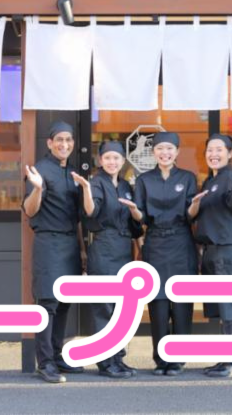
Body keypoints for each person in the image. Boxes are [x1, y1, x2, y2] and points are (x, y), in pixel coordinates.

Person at [119, 132, 199, 376]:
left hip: (181, 241)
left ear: (177, 151)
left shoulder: (188, 178)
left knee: (182, 302)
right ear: (153, 152)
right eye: (160, 149)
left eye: (169, 148)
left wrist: (195, 205)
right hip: (155, 242)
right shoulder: (144, 180)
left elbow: (190, 215)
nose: (165, 153)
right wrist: (134, 211)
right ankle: (161, 358)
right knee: (158, 303)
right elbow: (141, 217)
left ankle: (178, 358)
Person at [22, 120, 86, 384]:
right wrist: (38, 188)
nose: (64, 144)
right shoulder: (40, 170)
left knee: (64, 302)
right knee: (47, 303)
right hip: (49, 243)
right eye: (59, 139)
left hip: (70, 245)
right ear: (49, 143)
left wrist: (82, 250)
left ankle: (58, 356)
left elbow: (77, 217)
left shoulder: (72, 172)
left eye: (68, 140)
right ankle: (45, 362)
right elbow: (30, 210)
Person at [71, 141, 141, 379]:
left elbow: (135, 224)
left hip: (123, 249)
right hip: (103, 248)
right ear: (100, 160)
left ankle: (118, 358)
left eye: (117, 158)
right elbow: (90, 211)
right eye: (108, 158)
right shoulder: (96, 183)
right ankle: (105, 361)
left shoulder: (125, 185)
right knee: (104, 307)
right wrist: (86, 189)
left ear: (123, 161)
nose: (112, 162)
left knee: (121, 307)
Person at [193, 134, 232, 378]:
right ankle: (226, 357)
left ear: (230, 153)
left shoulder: (230, 177)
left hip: (227, 251)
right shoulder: (210, 181)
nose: (213, 154)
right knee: (222, 309)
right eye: (210, 150)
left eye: (219, 150)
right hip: (211, 251)